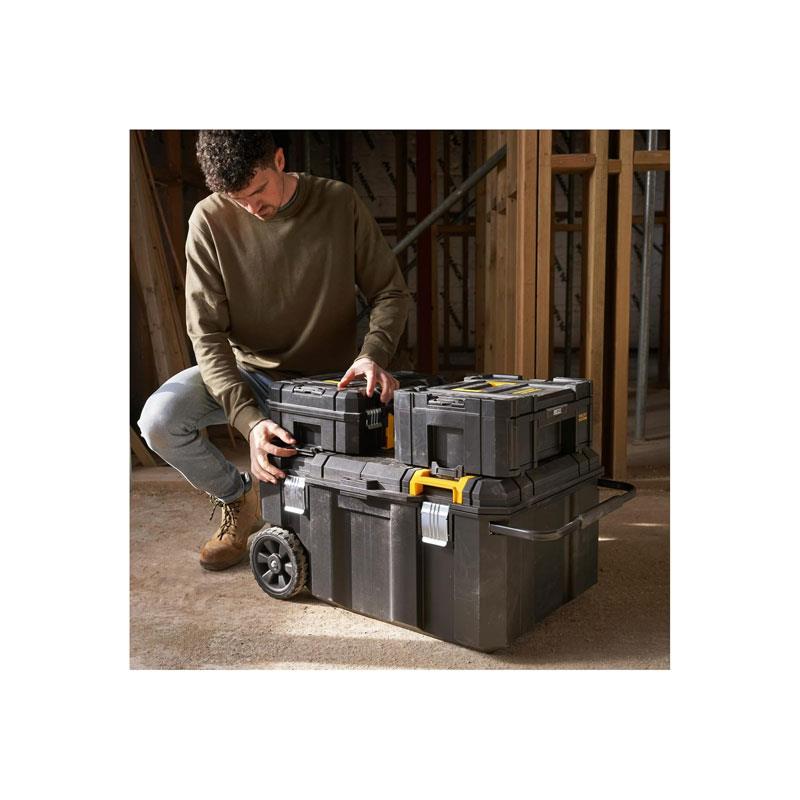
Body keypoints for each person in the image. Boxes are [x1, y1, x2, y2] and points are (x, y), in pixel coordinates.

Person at [138, 130, 412, 571]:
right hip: (251, 374)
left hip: (330, 384)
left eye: (259, 190)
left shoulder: (338, 202)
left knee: (361, 528)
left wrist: (372, 354)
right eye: (237, 199)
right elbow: (206, 334)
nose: (252, 208)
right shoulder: (208, 219)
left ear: (279, 161)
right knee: (160, 421)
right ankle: (241, 500)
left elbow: (390, 293)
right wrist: (249, 422)